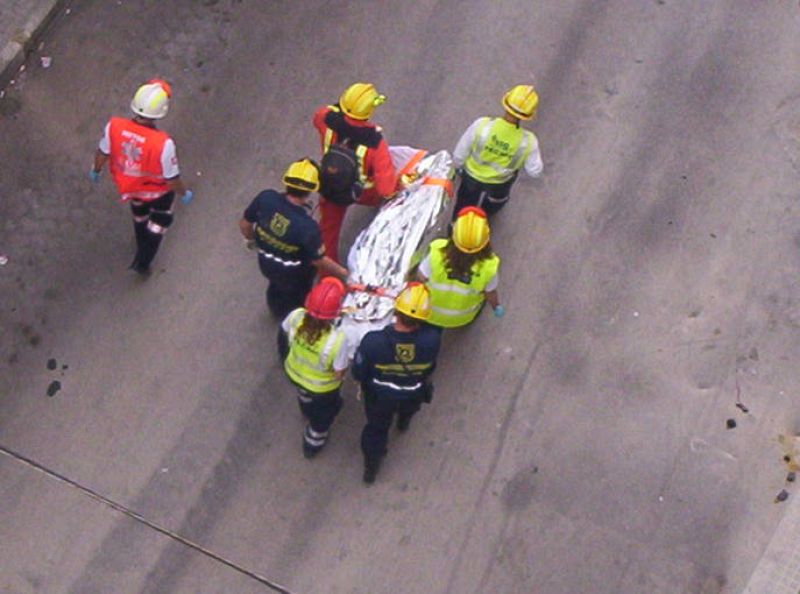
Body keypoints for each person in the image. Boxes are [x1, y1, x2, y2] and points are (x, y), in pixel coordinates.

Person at [90, 79, 193, 275]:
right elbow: (172, 179)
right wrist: (183, 192)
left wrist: (96, 170)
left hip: (131, 188)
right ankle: (143, 262)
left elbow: (102, 153)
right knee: (159, 223)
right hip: (158, 193)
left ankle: (140, 242)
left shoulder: (114, 127)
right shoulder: (163, 144)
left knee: (140, 215)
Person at [352, 282, 441, 484]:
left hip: (379, 397)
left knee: (376, 430)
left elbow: (359, 373)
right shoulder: (432, 340)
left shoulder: (373, 342)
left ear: (396, 310)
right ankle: (403, 422)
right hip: (413, 392)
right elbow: (429, 367)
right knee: (408, 410)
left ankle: (371, 467)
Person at [238, 158, 348, 319]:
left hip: (266, 264)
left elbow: (245, 225)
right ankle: (291, 318)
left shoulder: (266, 198)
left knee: (275, 286)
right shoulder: (307, 227)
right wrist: (343, 273)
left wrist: (256, 240)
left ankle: (275, 307)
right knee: (296, 300)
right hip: (295, 275)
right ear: (311, 190)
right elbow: (319, 260)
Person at [312, 82, 398, 263]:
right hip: (363, 192)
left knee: (327, 235)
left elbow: (318, 116)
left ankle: (328, 276)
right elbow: (386, 189)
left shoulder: (326, 119)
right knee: (383, 198)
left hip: (331, 185)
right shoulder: (375, 142)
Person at [279, 277, 350, 458]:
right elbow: (339, 372)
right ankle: (314, 440)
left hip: (293, 373)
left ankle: (305, 404)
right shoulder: (337, 340)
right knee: (323, 415)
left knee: (305, 395)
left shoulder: (296, 316)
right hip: (322, 389)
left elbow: (282, 337)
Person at [452, 84, 543, 218]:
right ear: (528, 114)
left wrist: (458, 168)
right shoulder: (529, 142)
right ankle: (484, 218)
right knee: (495, 203)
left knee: (464, 205)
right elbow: (535, 171)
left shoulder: (481, 126)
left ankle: (458, 226)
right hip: (500, 184)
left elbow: (459, 155)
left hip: (471, 178)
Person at [417, 207, 503, 328]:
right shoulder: (489, 267)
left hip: (428, 313)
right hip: (462, 318)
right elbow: (490, 293)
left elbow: (421, 277)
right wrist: (496, 307)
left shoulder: (436, 254)